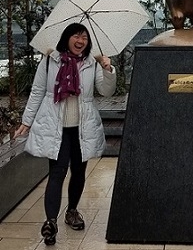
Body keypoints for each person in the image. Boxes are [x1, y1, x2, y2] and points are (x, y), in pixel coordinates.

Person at [14, 23, 116, 246]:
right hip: (56, 127)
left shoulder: (92, 63)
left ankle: (71, 211)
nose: (81, 41)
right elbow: (38, 91)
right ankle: (51, 222)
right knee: (57, 172)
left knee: (79, 173)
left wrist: (108, 69)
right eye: (76, 36)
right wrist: (27, 121)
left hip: (82, 128)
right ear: (66, 38)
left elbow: (106, 91)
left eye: (85, 38)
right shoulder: (51, 61)